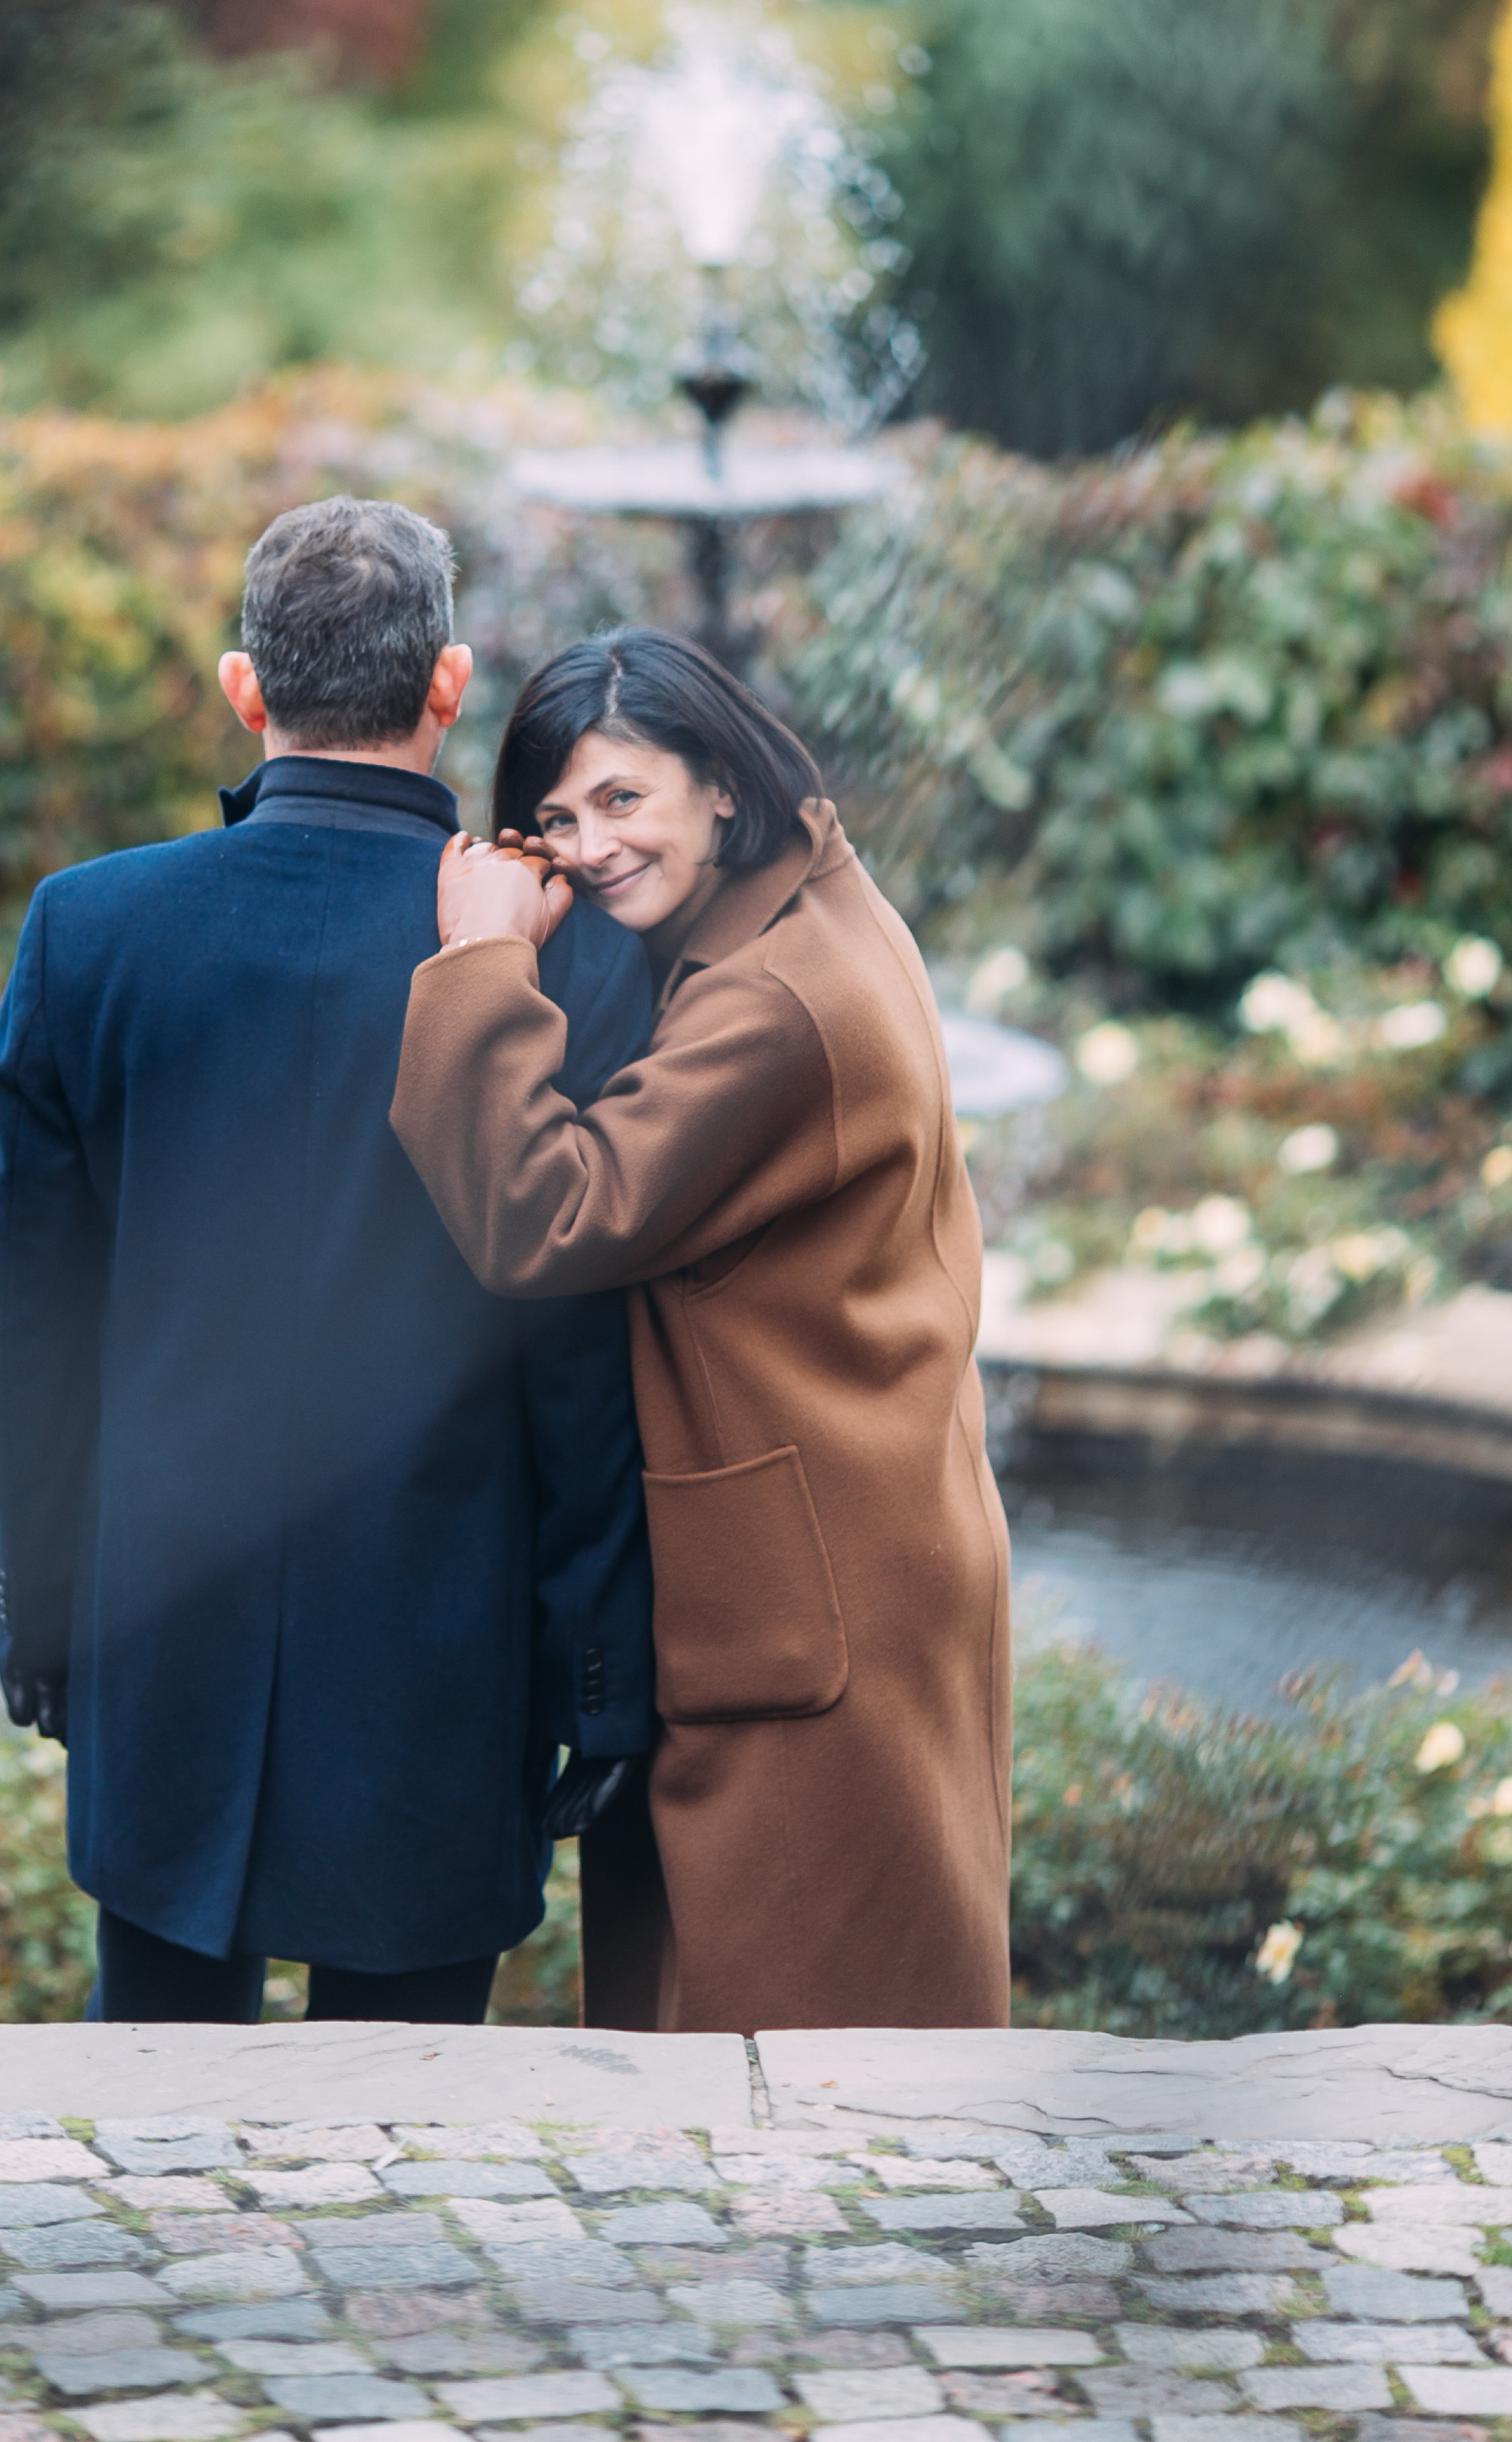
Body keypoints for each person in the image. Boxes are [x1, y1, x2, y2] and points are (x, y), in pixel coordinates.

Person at [0, 498, 655, 2026]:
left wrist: (42, 1603)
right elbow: (580, 1340)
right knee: (406, 2157)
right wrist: (599, 1664)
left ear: (245, 686)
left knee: (141, 2151)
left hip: (161, 1628)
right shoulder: (549, 948)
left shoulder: (86, 931)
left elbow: (29, 1319)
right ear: (449, 685)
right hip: (442, 1655)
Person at [390, 626, 1011, 2036]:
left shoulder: (774, 1001)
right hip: (861, 1527)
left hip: (816, 1579)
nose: (588, 847)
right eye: (554, 818)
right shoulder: (809, 911)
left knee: (796, 2043)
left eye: (624, 800)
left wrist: (482, 959)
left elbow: (544, 1216)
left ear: (719, 788)